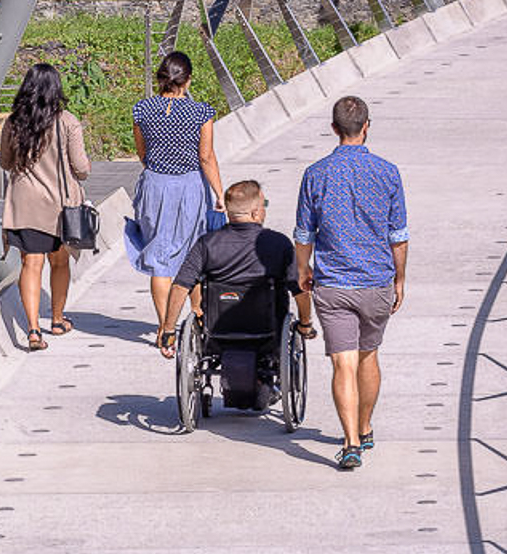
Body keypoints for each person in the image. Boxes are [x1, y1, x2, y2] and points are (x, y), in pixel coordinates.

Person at [294, 96, 407, 471]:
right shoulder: (388, 172)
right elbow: (399, 235)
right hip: (376, 280)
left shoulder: (315, 174)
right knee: (369, 355)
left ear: (333, 128)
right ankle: (365, 425)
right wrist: (400, 278)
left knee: (343, 365)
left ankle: (351, 442)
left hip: (333, 283)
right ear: (367, 126)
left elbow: (303, 233)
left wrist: (303, 270)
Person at [156, 179, 315, 359]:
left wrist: (169, 331)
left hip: (217, 334)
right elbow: (299, 290)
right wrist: (305, 324)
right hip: (269, 334)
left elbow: (180, 286)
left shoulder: (207, 244)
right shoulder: (278, 244)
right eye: (264, 205)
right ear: (256, 213)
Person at [129, 51, 224, 331]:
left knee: (160, 257)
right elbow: (206, 157)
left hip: (154, 185)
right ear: (188, 80)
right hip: (190, 186)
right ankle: (197, 313)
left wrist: (158, 170)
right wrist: (219, 192)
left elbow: (142, 152)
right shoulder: (201, 112)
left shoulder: (141, 109)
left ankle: (164, 328)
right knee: (192, 252)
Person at [0, 63, 89, 351]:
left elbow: (5, 162)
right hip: (60, 207)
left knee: (30, 264)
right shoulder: (68, 122)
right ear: (56, 89)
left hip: (25, 205)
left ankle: (34, 330)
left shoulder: (14, 122)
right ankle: (58, 319)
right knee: (59, 262)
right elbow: (82, 168)